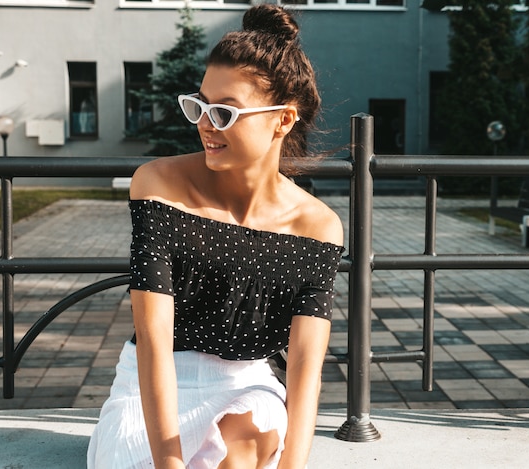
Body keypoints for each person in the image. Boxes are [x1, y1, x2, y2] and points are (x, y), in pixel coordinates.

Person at [87, 4, 343, 469]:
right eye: (200, 105)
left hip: (246, 384)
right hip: (153, 380)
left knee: (243, 443)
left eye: (225, 112)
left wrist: (292, 467)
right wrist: (168, 463)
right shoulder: (160, 185)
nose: (205, 123)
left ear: (282, 120)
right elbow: (153, 336)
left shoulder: (316, 226)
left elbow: (306, 371)